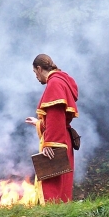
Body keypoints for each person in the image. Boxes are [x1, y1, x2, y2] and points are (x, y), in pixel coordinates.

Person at [26, 54, 79, 202]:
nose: (36, 77)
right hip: (63, 138)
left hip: (57, 141)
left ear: (39, 68)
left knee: (52, 187)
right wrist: (38, 123)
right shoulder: (62, 80)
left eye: (35, 73)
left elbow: (56, 117)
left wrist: (50, 143)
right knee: (62, 184)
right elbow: (55, 118)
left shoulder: (54, 83)